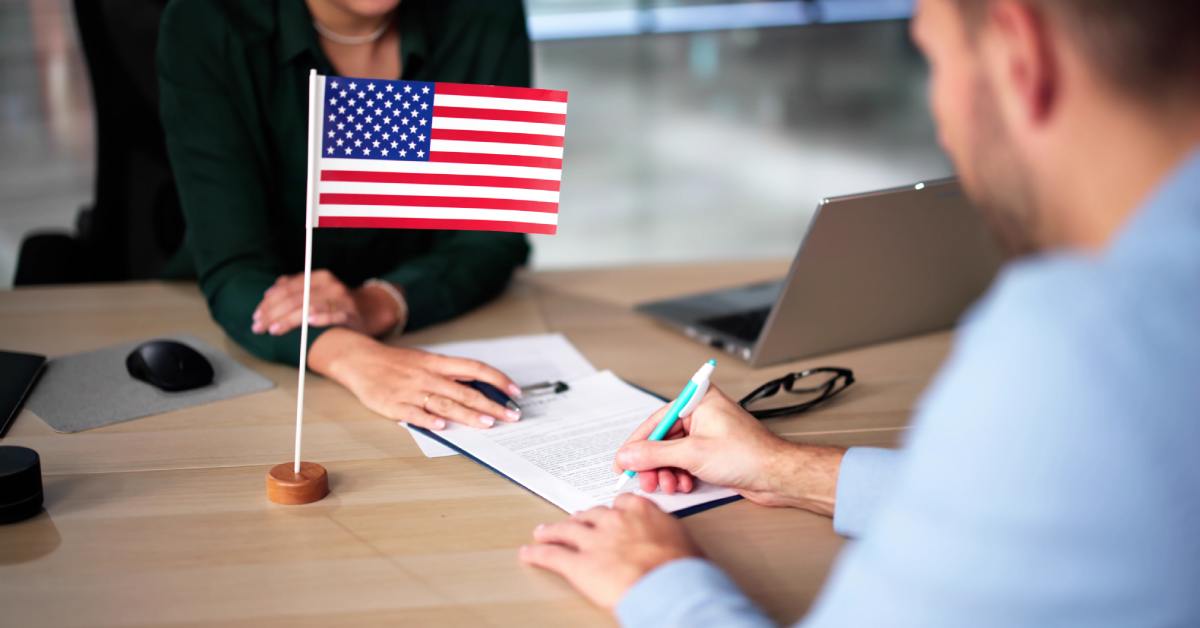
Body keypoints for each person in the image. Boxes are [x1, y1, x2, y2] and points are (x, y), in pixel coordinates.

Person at [521, 0, 1200, 625]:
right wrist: (785, 471)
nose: (939, 119)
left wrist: (658, 581)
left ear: (1021, 55)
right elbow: (1076, 511)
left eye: (933, 60)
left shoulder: (1081, 347)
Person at [158, 0, 534, 431]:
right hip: (266, 353)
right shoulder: (209, 20)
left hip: (440, 315)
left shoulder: (485, 12)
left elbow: (494, 236)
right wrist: (352, 355)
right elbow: (236, 268)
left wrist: (380, 301)